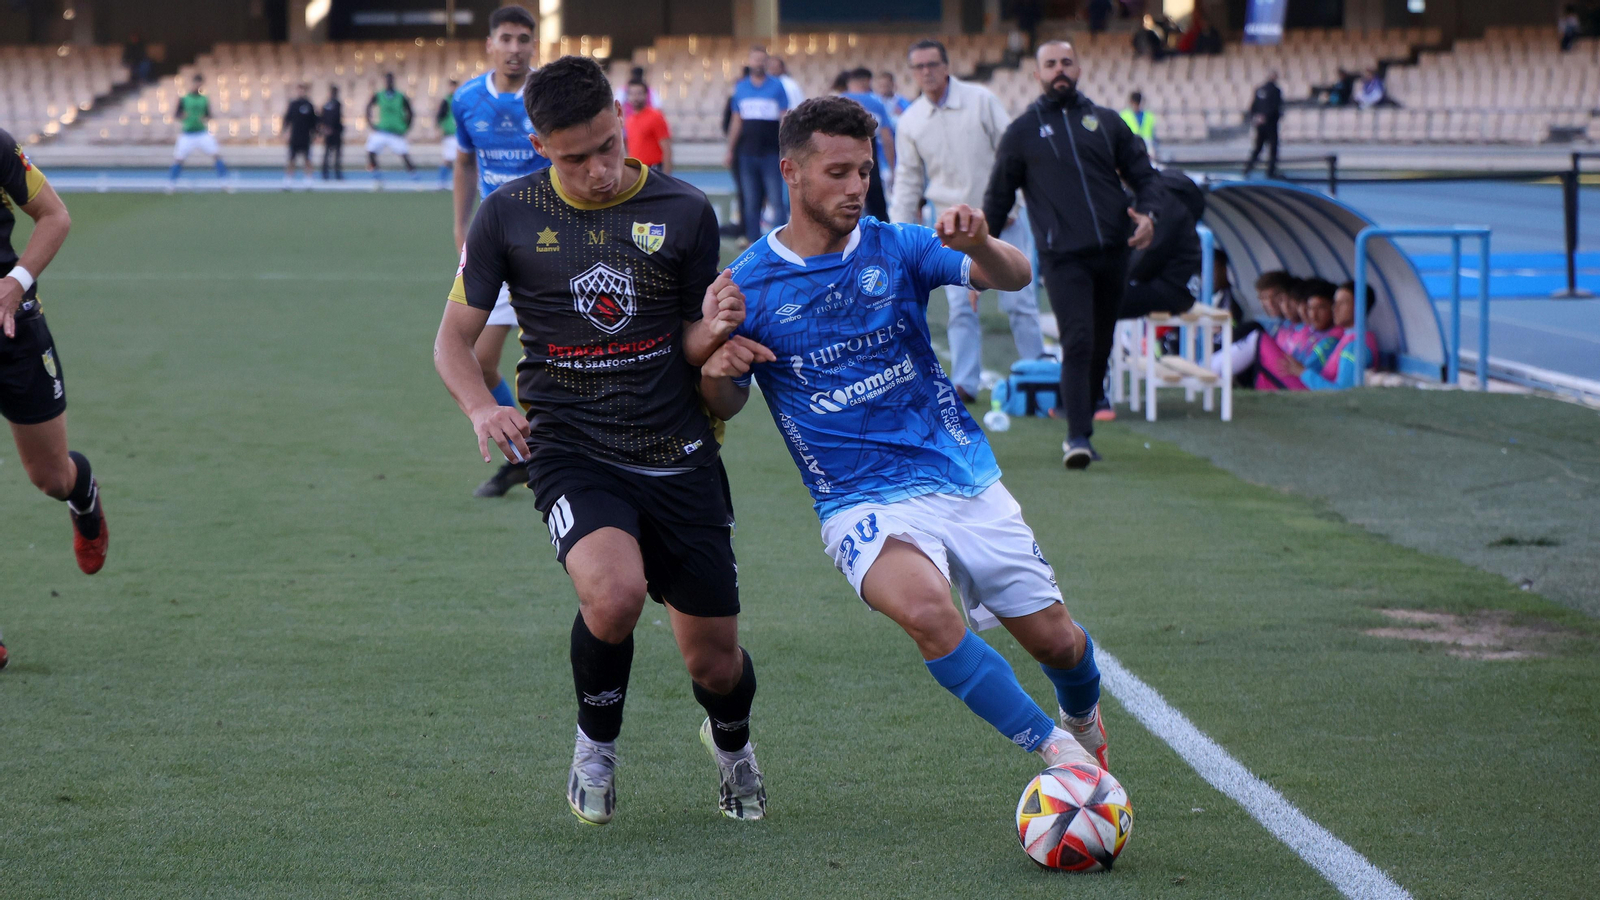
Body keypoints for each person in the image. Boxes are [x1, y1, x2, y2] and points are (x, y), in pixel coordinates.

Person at [699, 97, 1112, 785]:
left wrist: (978, 241)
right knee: (928, 613)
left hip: (960, 477)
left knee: (1058, 643)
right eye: (838, 172)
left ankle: (1082, 721)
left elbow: (1014, 275)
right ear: (791, 172)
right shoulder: (746, 284)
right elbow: (725, 403)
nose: (856, 186)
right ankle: (1056, 753)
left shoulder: (901, 245)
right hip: (857, 499)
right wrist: (718, 366)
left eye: (864, 169)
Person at [433, 55, 765, 824]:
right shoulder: (506, 215)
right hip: (572, 448)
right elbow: (452, 341)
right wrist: (483, 407)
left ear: (621, 118)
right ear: (540, 144)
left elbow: (695, 351)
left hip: (679, 451)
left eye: (609, 146)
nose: (600, 170)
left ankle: (734, 745)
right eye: (575, 157)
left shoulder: (684, 210)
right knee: (612, 598)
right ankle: (595, 745)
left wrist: (715, 341)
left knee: (715, 664)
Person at [983, 40, 1163, 469]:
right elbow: (997, 201)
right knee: (1078, 340)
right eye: (1050, 64)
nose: (1059, 70)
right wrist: (976, 261)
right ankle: (1076, 437)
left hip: (1115, 252)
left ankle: (1079, 414)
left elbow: (1145, 175)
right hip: (1063, 257)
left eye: (1066, 62)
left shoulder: (1107, 122)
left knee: (1100, 343)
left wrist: (1150, 214)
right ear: (1037, 74)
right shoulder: (1021, 132)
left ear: (1079, 67)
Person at [893, 39, 1046, 404]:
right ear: (913, 72)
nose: (926, 72)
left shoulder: (981, 100)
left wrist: (1015, 204)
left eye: (932, 64)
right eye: (919, 67)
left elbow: (1012, 154)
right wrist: (897, 231)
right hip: (951, 229)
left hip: (1001, 218)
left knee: (1020, 301)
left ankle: (1039, 374)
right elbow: (908, 179)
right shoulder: (911, 120)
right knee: (960, 308)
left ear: (946, 66)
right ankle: (964, 383)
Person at [450, 3, 551, 499]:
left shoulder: (548, 97)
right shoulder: (467, 98)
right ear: (490, 44)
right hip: (496, 247)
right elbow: (466, 163)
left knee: (565, 359)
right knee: (478, 362)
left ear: (534, 45)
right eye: (506, 39)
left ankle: (565, 457)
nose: (515, 49)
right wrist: (459, 226)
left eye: (523, 40)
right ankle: (524, 455)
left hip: (552, 244)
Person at [0, 128, 109, 580]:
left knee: (51, 478)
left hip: (11, 327)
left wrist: (15, 284)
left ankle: (82, 495)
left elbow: (54, 216)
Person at [1119, 168, 1204, 319]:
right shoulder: (1159, 194)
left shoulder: (1163, 199)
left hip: (1172, 288)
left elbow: (1149, 253)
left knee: (1100, 302)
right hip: (1175, 285)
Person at [726, 46, 790, 244]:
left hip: (771, 152)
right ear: (749, 62)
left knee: (776, 200)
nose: (758, 63)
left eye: (762, 60)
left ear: (767, 62)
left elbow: (784, 117)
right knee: (751, 201)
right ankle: (753, 241)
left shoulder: (777, 86)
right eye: (755, 60)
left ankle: (780, 241)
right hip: (747, 153)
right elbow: (737, 120)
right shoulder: (741, 88)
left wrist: (787, 146)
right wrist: (730, 150)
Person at [1293, 281, 1378, 390]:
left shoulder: (1356, 346)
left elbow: (1341, 392)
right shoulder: (1348, 337)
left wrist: (1303, 373)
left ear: (1359, 306)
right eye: (1335, 302)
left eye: (1342, 303)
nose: (1335, 308)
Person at [840, 67, 895, 222]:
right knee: (878, 212)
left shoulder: (839, 101)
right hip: (871, 165)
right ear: (867, 81)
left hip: (843, 165)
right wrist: (892, 167)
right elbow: (887, 139)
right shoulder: (876, 103)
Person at [168, 74, 228, 183]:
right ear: (192, 83)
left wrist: (204, 117)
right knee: (178, 159)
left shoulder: (204, 99)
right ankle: (172, 183)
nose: (198, 85)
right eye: (196, 83)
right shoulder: (184, 98)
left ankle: (224, 180)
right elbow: (176, 115)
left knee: (216, 155)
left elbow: (209, 115)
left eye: (200, 83)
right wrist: (182, 116)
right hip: (187, 134)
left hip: (201, 133)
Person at [366, 72, 416, 179]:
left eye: (390, 80)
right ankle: (375, 171)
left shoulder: (400, 96)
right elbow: (368, 107)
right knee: (370, 150)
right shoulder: (379, 95)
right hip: (382, 131)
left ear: (393, 81)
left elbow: (410, 112)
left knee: (404, 154)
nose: (388, 82)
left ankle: (414, 175)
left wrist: (407, 126)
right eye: (387, 80)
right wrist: (371, 124)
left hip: (396, 132)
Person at [623, 80, 672, 174]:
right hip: (636, 170)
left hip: (654, 169)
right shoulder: (629, 120)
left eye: (639, 93)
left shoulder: (656, 117)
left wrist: (667, 176)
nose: (635, 97)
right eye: (632, 94)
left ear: (646, 95)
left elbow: (667, 148)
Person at [1245, 69, 1282, 179]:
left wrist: (1257, 118)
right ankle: (1270, 172)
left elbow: (1253, 106)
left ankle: (1247, 169)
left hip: (1260, 124)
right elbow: (1275, 107)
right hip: (1270, 124)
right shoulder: (1276, 90)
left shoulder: (1260, 89)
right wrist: (1266, 117)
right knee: (1273, 148)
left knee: (1258, 147)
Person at [282, 82, 319, 187]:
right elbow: (287, 119)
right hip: (295, 136)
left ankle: (308, 180)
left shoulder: (309, 105)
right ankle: (288, 180)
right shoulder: (293, 104)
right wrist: (284, 132)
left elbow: (314, 122)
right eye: (299, 90)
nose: (301, 92)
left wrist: (316, 134)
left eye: (303, 90)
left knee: (307, 159)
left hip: (306, 136)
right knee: (291, 159)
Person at [1119, 91, 1157, 158]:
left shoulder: (1149, 116)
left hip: (1147, 146)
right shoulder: (1124, 115)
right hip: (1131, 146)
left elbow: (1153, 135)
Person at [437, 78, 460, 185]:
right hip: (450, 134)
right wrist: (440, 129)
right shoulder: (446, 100)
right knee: (448, 158)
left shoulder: (461, 100)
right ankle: (442, 180)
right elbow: (440, 116)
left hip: (459, 134)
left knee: (459, 159)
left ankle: (454, 181)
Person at [320, 86, 344, 180]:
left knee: (337, 155)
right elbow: (323, 118)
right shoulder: (326, 104)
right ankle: (325, 173)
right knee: (327, 154)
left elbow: (337, 118)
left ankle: (337, 173)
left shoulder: (337, 104)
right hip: (329, 134)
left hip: (336, 133)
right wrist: (325, 129)